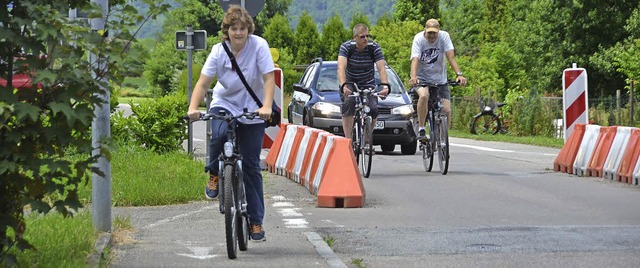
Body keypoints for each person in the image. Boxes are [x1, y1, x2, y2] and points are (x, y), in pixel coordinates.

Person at [187, 5, 275, 242]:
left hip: (253, 109)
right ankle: (214, 172)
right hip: (224, 103)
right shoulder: (218, 51)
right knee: (218, 133)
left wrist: (266, 107)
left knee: (251, 167)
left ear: (249, 30)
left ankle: (256, 222)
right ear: (226, 31)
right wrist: (193, 108)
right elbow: (204, 83)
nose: (238, 33)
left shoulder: (259, 46)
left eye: (243, 28)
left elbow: (269, 78)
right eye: (234, 28)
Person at [409, 18, 467, 139]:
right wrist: (413, 77)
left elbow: (451, 57)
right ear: (425, 30)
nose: (432, 35)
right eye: (429, 32)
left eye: (434, 33)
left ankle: (442, 139)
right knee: (424, 96)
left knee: (446, 110)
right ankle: (421, 129)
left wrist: (459, 74)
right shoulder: (419, 39)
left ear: (438, 31)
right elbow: (415, 59)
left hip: (440, 79)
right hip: (422, 78)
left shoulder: (444, 37)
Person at [337, 23, 389, 145]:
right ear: (355, 37)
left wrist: (385, 86)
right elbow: (341, 68)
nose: (366, 39)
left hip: (368, 83)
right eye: (362, 37)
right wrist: (344, 85)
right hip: (350, 83)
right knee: (348, 103)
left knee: (374, 109)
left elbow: (381, 68)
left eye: (367, 36)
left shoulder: (373, 47)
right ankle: (348, 140)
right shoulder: (346, 47)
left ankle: (367, 138)